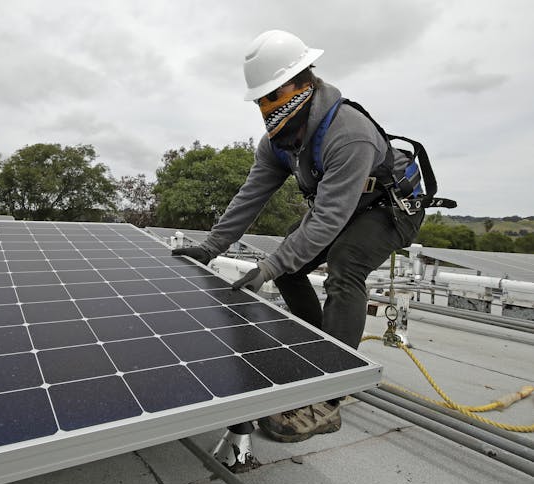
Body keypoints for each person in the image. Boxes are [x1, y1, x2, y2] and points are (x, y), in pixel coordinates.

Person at [172, 29, 425, 443]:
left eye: (273, 93)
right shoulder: (280, 141)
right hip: (343, 209)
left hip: (390, 210)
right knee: (290, 267)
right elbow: (251, 195)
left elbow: (328, 219)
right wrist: (211, 246)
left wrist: (267, 268)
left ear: (303, 81)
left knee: (345, 267)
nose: (266, 105)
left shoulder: (348, 131)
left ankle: (329, 395)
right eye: (261, 98)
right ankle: (316, 348)